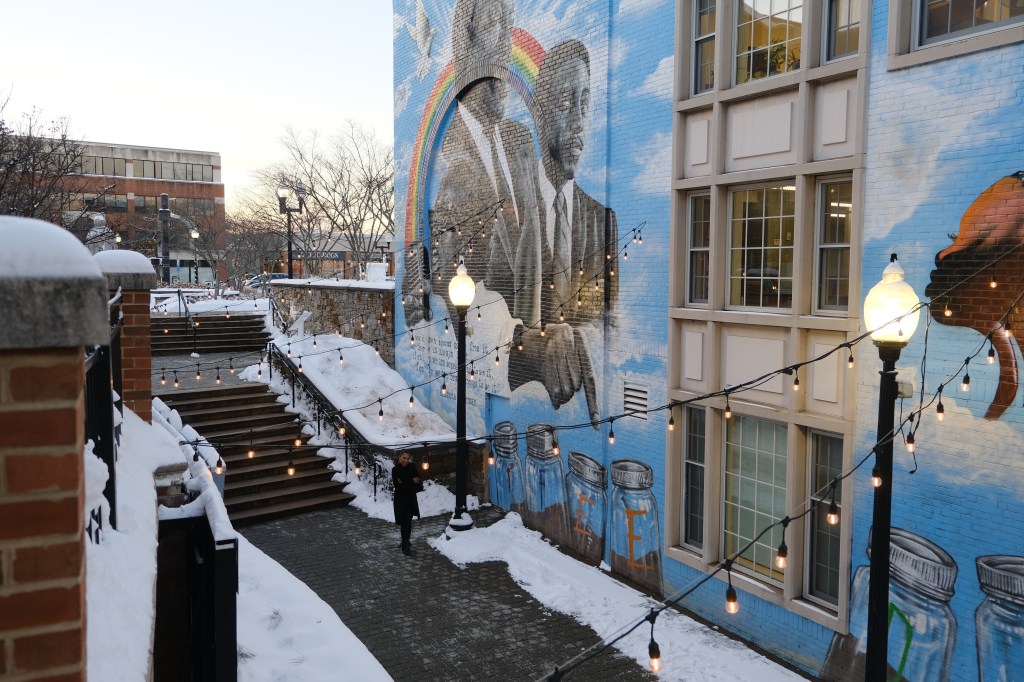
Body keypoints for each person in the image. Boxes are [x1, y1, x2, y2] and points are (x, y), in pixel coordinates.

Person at [404, 0, 541, 327]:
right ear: (465, 45)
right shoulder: (445, 157)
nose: (505, 48)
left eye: (508, 31)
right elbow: (436, 280)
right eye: (494, 25)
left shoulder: (521, 141)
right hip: (481, 336)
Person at [508, 40, 618, 423]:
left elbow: (610, 325)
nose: (578, 122)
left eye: (584, 105)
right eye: (566, 102)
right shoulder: (510, 213)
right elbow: (476, 322)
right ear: (538, 112)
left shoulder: (603, 222)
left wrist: (581, 341)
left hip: (579, 416)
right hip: (523, 412)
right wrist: (531, 348)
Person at [392, 451, 422, 555]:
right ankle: (405, 543)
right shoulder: (395, 470)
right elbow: (398, 487)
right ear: (400, 458)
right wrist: (411, 481)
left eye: (407, 458)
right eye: (404, 458)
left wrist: (405, 482)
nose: (405, 460)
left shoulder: (412, 467)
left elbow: (418, 481)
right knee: (403, 521)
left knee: (408, 521)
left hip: (410, 498)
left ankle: (406, 541)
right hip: (400, 500)